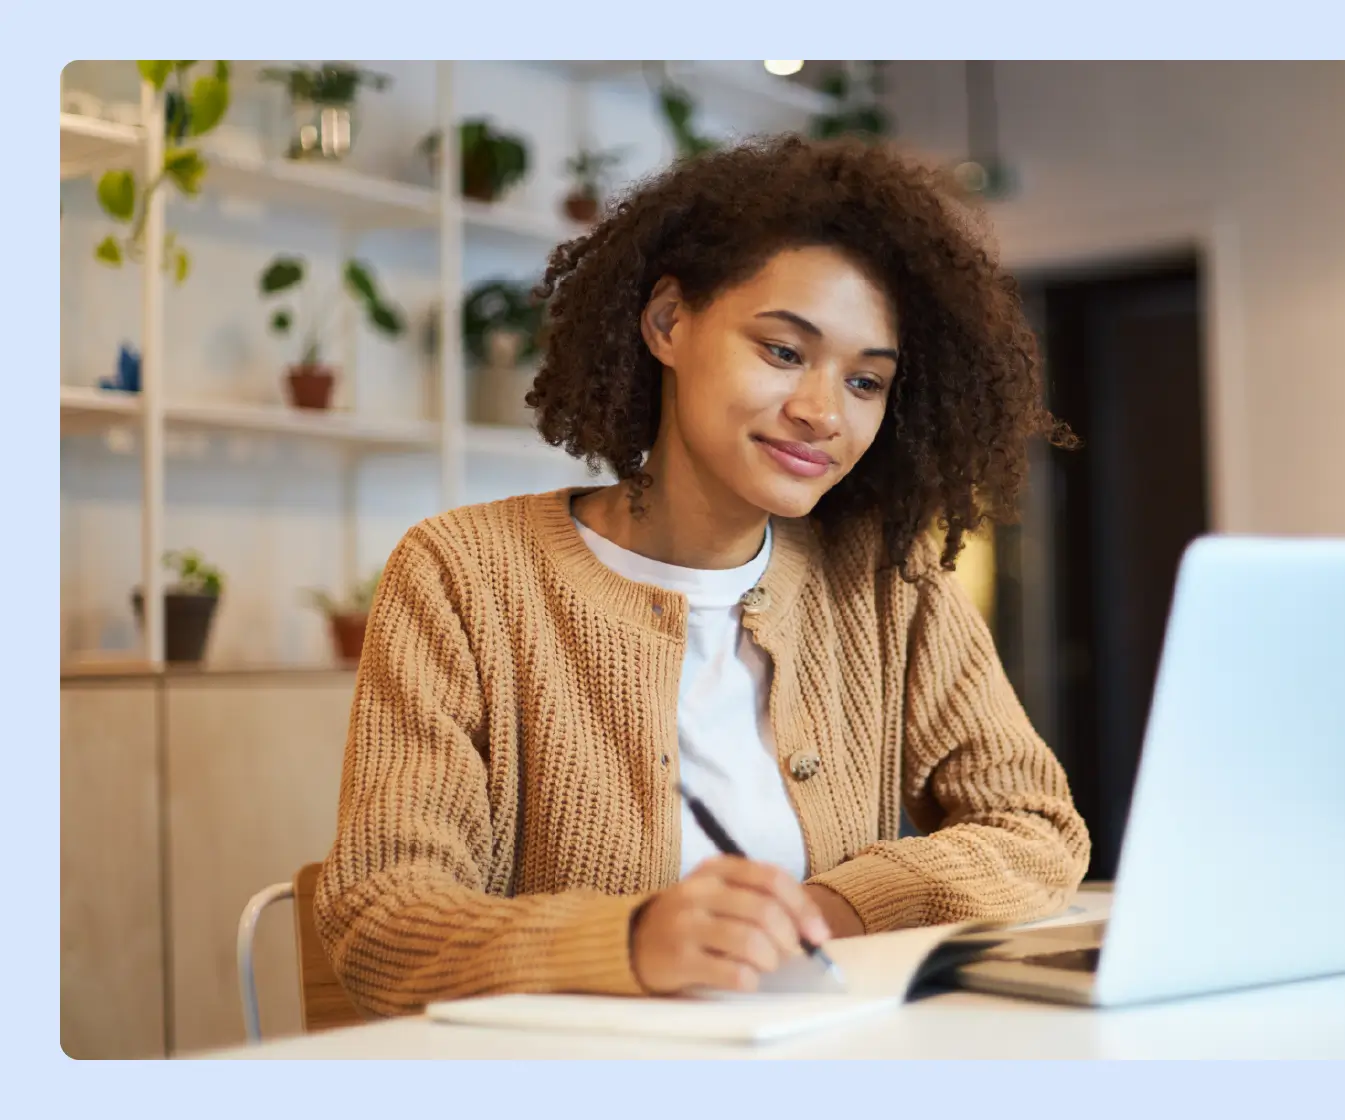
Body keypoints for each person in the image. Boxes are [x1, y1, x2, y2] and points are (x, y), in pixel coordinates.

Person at [314, 134, 1090, 1016]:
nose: (821, 412)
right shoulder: (466, 574)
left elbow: (1035, 828)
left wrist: (838, 907)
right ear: (668, 324)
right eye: (784, 352)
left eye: (867, 381)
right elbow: (379, 920)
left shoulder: (885, 578)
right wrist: (632, 942)